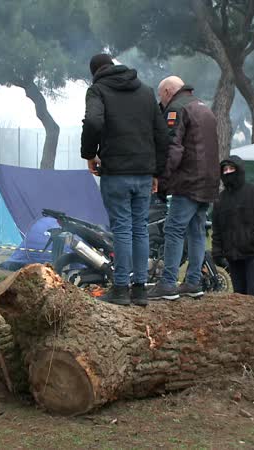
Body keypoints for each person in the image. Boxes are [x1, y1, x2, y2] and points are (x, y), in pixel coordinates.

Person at [81, 53, 169, 307]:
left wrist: (89, 154)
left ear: (94, 72)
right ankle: (140, 290)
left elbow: (93, 122)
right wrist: (156, 172)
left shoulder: (97, 90)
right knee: (140, 228)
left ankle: (121, 288)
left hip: (116, 172)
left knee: (121, 229)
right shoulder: (146, 92)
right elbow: (162, 134)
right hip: (143, 173)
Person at [149, 77, 219, 300]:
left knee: (174, 229)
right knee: (197, 231)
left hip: (188, 181)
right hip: (208, 181)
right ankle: (193, 282)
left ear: (167, 91)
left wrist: (160, 178)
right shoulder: (204, 108)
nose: (161, 102)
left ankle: (168, 283)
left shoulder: (177, 108)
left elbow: (173, 148)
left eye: (161, 96)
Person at [212, 156, 254, 300]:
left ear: (240, 170)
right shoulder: (220, 200)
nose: (228, 172)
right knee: (239, 300)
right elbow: (217, 229)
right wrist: (217, 251)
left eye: (231, 168)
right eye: (225, 170)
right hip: (233, 256)